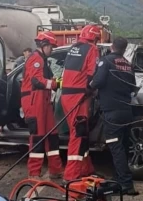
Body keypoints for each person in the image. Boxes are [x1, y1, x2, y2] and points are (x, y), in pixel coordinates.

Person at [90, 37, 139, 195]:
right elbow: (133, 87)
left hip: (112, 112)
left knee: (115, 147)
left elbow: (96, 82)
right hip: (127, 111)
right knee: (123, 146)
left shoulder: (106, 61)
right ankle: (118, 179)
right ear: (124, 49)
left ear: (112, 47)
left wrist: (87, 88)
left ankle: (126, 184)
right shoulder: (128, 65)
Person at [20, 32, 63, 179]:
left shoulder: (43, 60)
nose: (52, 49)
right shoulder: (36, 59)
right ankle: (34, 173)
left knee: (52, 135)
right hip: (34, 102)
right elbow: (37, 81)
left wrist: (56, 81)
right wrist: (55, 84)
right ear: (44, 45)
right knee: (38, 137)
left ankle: (55, 169)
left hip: (43, 102)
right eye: (51, 46)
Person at [60, 25, 100, 183]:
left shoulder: (73, 48)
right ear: (95, 38)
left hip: (67, 96)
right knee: (78, 134)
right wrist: (93, 89)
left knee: (82, 134)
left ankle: (86, 169)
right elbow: (92, 75)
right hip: (79, 97)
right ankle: (71, 175)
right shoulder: (92, 49)